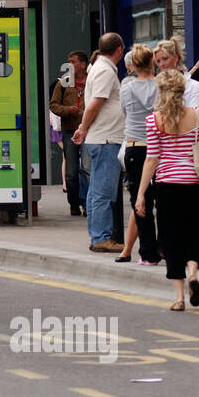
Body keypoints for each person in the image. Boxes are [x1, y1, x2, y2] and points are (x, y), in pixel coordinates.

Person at [134, 69, 199, 310]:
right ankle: (193, 272)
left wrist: (141, 193)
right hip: (193, 183)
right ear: (183, 91)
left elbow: (152, 158)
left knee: (171, 239)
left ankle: (179, 298)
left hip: (167, 186)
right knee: (193, 232)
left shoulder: (154, 120)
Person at [73, 33, 126, 253]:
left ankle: (97, 235)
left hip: (102, 137)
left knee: (96, 191)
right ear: (119, 50)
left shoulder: (99, 67)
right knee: (103, 191)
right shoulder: (105, 70)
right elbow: (95, 104)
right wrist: (83, 128)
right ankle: (101, 237)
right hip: (106, 138)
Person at [118, 44, 160, 265]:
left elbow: (125, 111)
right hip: (158, 147)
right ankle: (163, 246)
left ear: (133, 65)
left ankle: (147, 253)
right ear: (152, 61)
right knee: (161, 199)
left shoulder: (127, 87)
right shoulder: (162, 86)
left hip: (135, 145)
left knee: (139, 200)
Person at [50, 50, 89, 216]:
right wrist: (67, 110)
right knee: (71, 173)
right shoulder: (64, 83)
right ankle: (74, 202)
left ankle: (87, 203)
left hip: (89, 131)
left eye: (73, 61)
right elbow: (53, 105)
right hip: (69, 131)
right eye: (69, 61)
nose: (70, 64)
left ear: (82, 64)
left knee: (88, 169)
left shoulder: (92, 81)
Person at [154, 39, 199, 110]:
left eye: (165, 58)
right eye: (158, 61)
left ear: (176, 58)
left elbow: (196, 116)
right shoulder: (156, 86)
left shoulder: (193, 85)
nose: (161, 64)